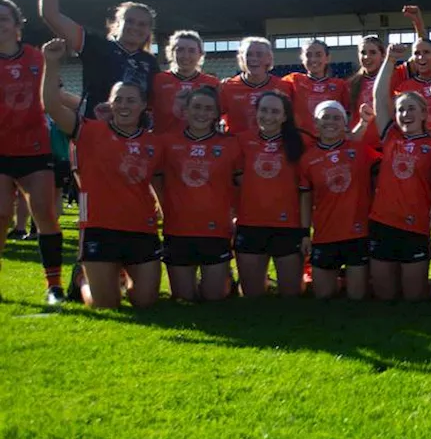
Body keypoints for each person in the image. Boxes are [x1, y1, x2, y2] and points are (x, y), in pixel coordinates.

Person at [42, 39, 163, 309]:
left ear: (143, 105)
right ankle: (82, 280)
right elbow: (51, 105)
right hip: (100, 227)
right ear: (110, 103)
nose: (124, 105)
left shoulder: (154, 142)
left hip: (141, 227)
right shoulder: (89, 130)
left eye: (131, 100)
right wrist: (51, 63)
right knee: (106, 304)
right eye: (118, 99)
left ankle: (115, 273)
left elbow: (159, 184)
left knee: (145, 302)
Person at [0, 0, 68, 304]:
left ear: (17, 24)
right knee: (1, 215)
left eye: (5, 18)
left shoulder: (36, 57)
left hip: (34, 149)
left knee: (45, 214)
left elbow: (54, 94)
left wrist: (90, 108)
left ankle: (54, 286)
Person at [39, 0, 159, 119]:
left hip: (134, 137)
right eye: (129, 21)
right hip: (96, 131)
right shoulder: (96, 45)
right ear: (117, 23)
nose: (135, 27)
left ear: (149, 31)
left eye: (142, 24)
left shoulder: (150, 63)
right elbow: (51, 14)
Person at [154, 86, 240, 301]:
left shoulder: (229, 144)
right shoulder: (167, 142)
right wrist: (164, 206)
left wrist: (234, 213)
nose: (202, 113)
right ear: (186, 110)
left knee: (213, 299)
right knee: (184, 299)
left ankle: (225, 279)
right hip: (178, 229)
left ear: (216, 114)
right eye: (197, 107)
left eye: (208, 108)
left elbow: (240, 184)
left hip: (216, 230)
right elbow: (156, 179)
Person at [367, 45, 431, 302]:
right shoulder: (390, 137)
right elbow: (378, 96)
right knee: (385, 297)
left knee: (413, 298)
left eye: (411, 109)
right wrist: (389, 61)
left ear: (423, 113)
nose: (405, 114)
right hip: (383, 223)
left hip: (415, 225)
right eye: (400, 110)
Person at [233, 91, 309, 298]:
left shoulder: (299, 143)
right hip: (250, 224)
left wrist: (304, 232)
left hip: (287, 226)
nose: (268, 116)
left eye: (275, 111)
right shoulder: (241, 141)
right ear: (256, 113)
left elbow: (305, 192)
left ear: (285, 116)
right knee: (251, 295)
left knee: (291, 295)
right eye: (263, 110)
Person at [299, 101, 379, 300]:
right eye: (325, 117)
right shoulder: (307, 158)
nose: (330, 122)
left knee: (357, 297)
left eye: (336, 117)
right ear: (316, 124)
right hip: (325, 234)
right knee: (323, 296)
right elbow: (306, 199)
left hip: (357, 234)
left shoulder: (361, 150)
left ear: (345, 124)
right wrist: (304, 234)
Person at [388, 33, 431, 142]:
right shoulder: (403, 88)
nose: (421, 57)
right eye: (417, 53)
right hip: (416, 151)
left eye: (426, 52)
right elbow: (395, 123)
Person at [151, 31, 220, 136]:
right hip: (163, 145)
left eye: (192, 51)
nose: (185, 56)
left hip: (200, 144)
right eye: (180, 50)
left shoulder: (212, 82)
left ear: (200, 54)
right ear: (171, 52)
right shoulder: (158, 80)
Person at [219, 37, 290, 135]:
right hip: (237, 148)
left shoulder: (283, 86)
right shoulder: (227, 87)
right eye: (249, 54)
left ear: (268, 58)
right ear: (241, 58)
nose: (253, 59)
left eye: (259, 55)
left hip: (272, 147)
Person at [282, 40, 350, 138]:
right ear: (302, 58)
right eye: (308, 55)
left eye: (318, 55)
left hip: (331, 142)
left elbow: (349, 115)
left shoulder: (340, 85)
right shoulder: (292, 80)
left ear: (327, 58)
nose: (313, 59)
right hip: (300, 143)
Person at [347, 35, 387, 144]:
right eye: (363, 53)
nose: (366, 57)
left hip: (387, 144)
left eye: (373, 52)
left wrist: (418, 23)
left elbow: (420, 52)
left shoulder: (392, 78)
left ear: (383, 55)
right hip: (361, 146)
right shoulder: (351, 84)